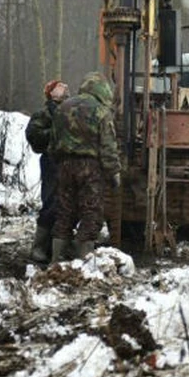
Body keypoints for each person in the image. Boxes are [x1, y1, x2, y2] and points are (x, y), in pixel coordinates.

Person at [49, 71, 121, 261]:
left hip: (64, 166)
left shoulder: (62, 107)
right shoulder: (101, 111)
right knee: (91, 213)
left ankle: (56, 259)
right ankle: (84, 261)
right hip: (90, 169)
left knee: (64, 212)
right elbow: (108, 146)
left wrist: (60, 163)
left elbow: (53, 142)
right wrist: (114, 172)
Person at [25, 79, 70, 263]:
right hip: (52, 162)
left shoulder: (69, 110)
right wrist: (53, 136)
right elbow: (33, 135)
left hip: (67, 162)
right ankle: (39, 247)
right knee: (51, 202)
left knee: (65, 204)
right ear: (51, 93)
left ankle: (58, 246)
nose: (65, 87)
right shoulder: (44, 114)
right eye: (59, 86)